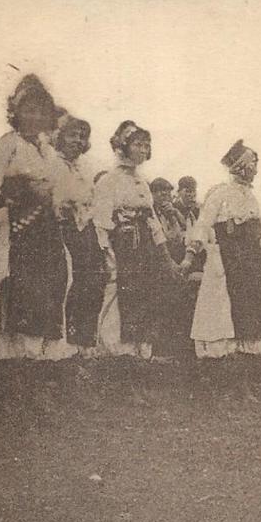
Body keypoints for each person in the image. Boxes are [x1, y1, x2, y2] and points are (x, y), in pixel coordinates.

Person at [0, 75, 75, 364]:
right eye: (28, 110)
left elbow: (60, 189)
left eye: (41, 111)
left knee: (54, 279)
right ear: (15, 112)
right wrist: (12, 196)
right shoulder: (9, 143)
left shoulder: (46, 150)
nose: (34, 116)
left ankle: (45, 346)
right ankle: (17, 348)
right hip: (19, 225)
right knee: (24, 282)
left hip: (47, 226)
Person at [183, 141, 261, 389]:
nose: (256, 170)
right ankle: (219, 384)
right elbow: (203, 225)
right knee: (223, 319)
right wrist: (190, 255)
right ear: (241, 167)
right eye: (252, 165)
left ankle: (244, 384)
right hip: (227, 265)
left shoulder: (251, 197)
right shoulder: (220, 194)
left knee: (250, 318)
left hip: (251, 266)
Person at [91, 121, 181, 369]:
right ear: (123, 146)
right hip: (123, 245)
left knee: (147, 295)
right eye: (138, 144)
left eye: (146, 145)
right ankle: (119, 352)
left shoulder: (143, 183)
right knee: (122, 294)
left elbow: (153, 222)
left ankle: (143, 352)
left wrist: (167, 258)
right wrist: (108, 256)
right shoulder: (109, 180)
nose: (143, 149)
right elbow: (101, 222)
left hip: (145, 247)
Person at [48, 113, 106, 355]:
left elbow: (92, 199)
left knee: (92, 280)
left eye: (82, 137)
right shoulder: (51, 163)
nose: (78, 141)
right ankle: (61, 342)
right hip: (57, 228)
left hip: (83, 229)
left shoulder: (84, 168)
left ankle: (83, 340)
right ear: (59, 137)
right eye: (72, 135)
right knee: (64, 279)